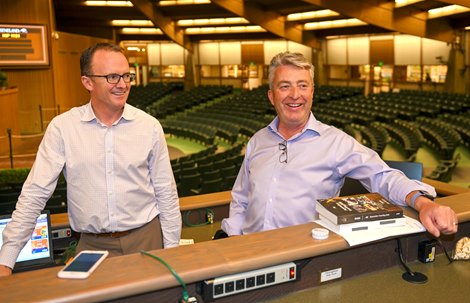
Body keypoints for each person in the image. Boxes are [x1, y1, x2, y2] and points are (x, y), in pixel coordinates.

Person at [221, 51, 458, 238]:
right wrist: (234, 237)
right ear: (271, 96)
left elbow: (382, 176)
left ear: (312, 92)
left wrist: (423, 203)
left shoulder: (336, 142)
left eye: (303, 85)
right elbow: (241, 197)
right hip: (248, 247)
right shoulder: (257, 141)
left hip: (301, 254)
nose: (295, 94)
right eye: (285, 86)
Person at [0, 43, 181, 277]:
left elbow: (166, 193)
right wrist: (6, 260)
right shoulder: (62, 128)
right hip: (93, 248)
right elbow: (34, 194)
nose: (123, 84)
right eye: (112, 77)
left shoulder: (149, 126)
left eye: (127, 75)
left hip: (147, 240)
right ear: (87, 82)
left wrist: (173, 249)